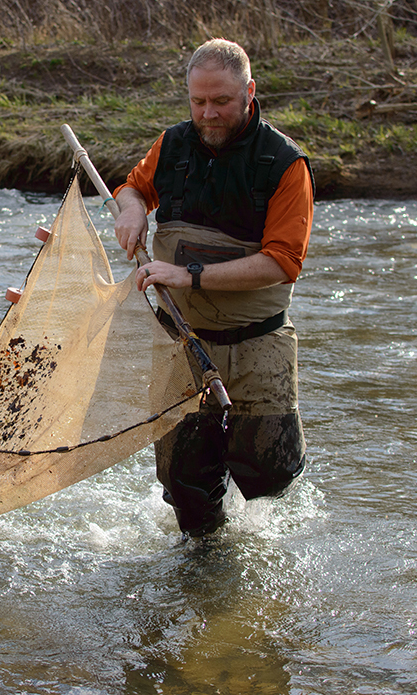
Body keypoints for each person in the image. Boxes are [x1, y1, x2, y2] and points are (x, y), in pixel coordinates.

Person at [112, 38, 313, 537]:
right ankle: (202, 565)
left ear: (249, 91)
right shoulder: (173, 144)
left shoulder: (286, 164)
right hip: (182, 341)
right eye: (198, 102)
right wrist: (133, 207)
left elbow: (283, 262)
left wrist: (190, 276)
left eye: (221, 101)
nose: (208, 113)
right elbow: (133, 186)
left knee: (271, 470)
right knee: (185, 486)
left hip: (257, 338)